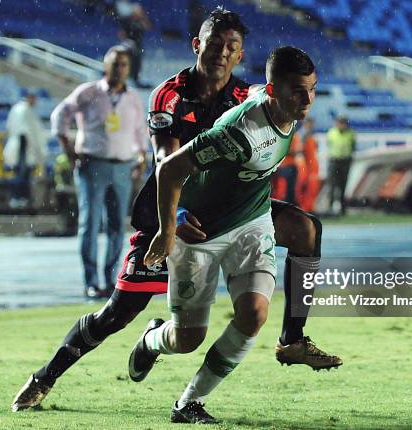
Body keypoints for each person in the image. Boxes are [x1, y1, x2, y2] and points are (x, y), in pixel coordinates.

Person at [11, 9, 339, 414]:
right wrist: (175, 221)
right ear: (197, 45)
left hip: (229, 211)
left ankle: (292, 337)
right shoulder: (170, 94)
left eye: (232, 47)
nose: (222, 52)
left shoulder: (247, 97)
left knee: (305, 230)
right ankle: (45, 377)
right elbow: (167, 163)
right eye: (215, 44)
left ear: (240, 56)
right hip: (170, 214)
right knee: (119, 313)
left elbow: (271, 97)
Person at [133, 45, 319, 424]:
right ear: (273, 92)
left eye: (312, 89)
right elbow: (169, 170)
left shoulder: (283, 103)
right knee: (187, 339)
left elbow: (259, 90)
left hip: (251, 223)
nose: (307, 99)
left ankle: (188, 403)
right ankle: (152, 339)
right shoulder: (238, 132)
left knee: (253, 314)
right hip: (200, 232)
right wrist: (168, 231)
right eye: (298, 90)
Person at [50, 45, 147, 299]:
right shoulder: (89, 92)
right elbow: (60, 114)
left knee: (117, 226)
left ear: (129, 69)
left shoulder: (133, 98)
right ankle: (91, 281)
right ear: (106, 66)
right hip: (92, 165)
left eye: (124, 65)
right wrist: (67, 148)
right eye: (115, 64)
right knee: (90, 224)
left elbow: (139, 131)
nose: (119, 69)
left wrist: (142, 156)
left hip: (123, 167)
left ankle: (112, 278)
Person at [3, 89, 47, 209]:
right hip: (22, 147)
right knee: (21, 175)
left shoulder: (23, 110)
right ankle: (18, 199)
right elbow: (25, 133)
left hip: (24, 149)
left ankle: (22, 199)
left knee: (24, 175)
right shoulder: (23, 110)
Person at [116, 2, 152, 87]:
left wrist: (143, 18)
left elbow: (148, 26)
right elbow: (121, 34)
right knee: (127, 61)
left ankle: (135, 78)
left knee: (137, 62)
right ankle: (124, 77)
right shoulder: (128, 21)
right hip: (129, 45)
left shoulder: (141, 21)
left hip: (138, 45)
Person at [327, 116, 356, 215]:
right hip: (334, 160)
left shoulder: (351, 133)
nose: (341, 125)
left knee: (343, 186)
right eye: (339, 123)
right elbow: (329, 144)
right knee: (332, 185)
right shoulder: (332, 132)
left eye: (343, 123)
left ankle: (342, 209)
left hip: (345, 161)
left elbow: (353, 146)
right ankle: (330, 208)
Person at [296, 117, 321, 213]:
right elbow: (300, 151)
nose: (312, 126)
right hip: (306, 166)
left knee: (311, 187)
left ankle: (308, 207)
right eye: (311, 124)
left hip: (311, 165)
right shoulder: (304, 134)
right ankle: (305, 208)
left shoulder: (310, 134)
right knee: (305, 187)